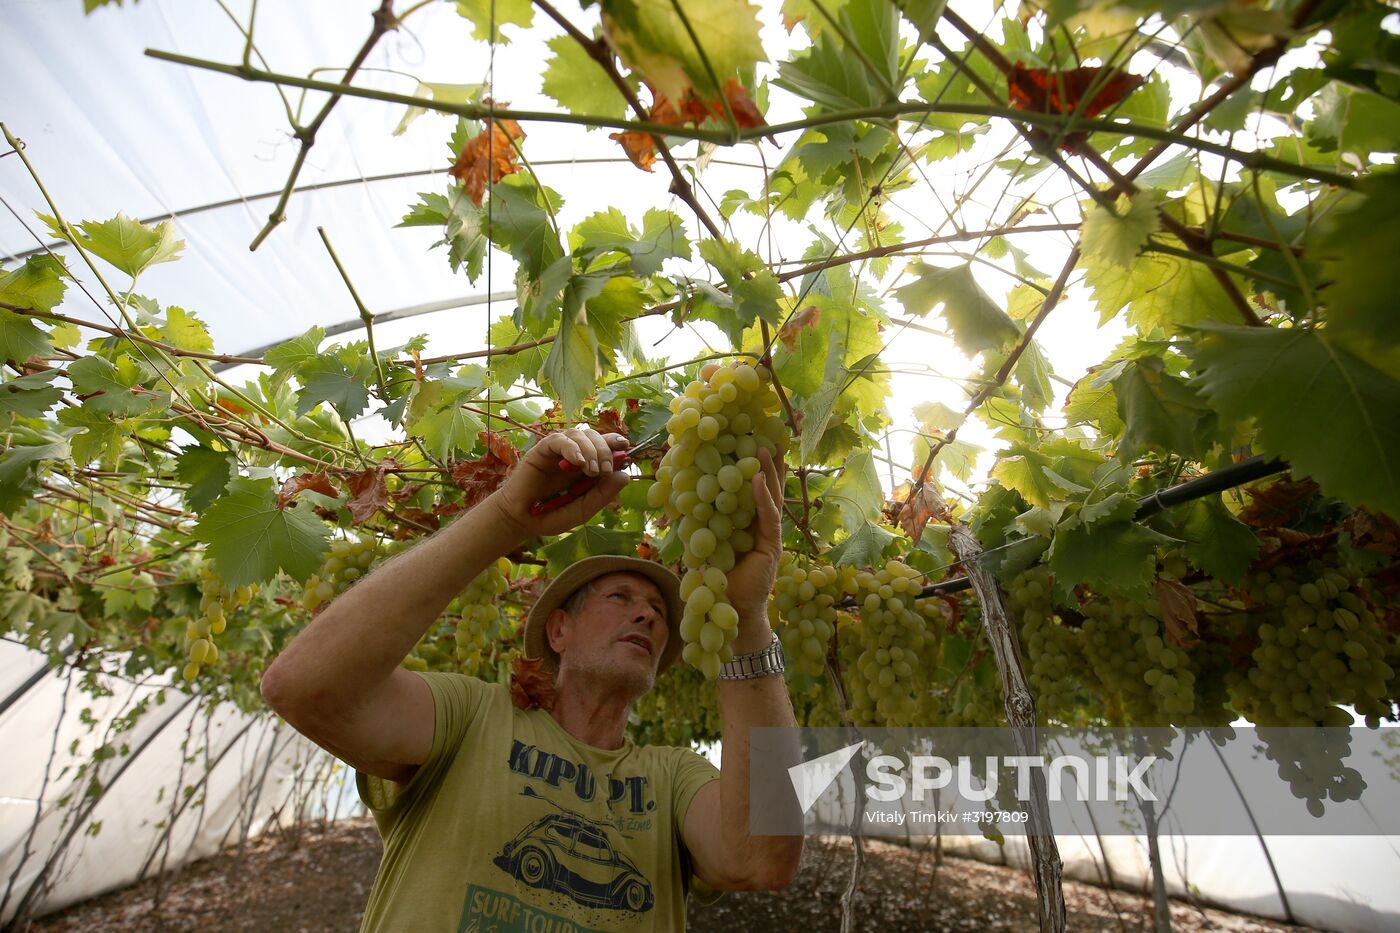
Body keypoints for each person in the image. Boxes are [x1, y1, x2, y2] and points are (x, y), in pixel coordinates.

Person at [260, 427, 804, 931]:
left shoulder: (674, 777)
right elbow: (304, 686)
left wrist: (746, 622)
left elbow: (762, 858)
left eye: (660, 613)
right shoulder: (471, 717)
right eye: (620, 597)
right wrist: (506, 516)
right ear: (558, 630)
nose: (646, 615)